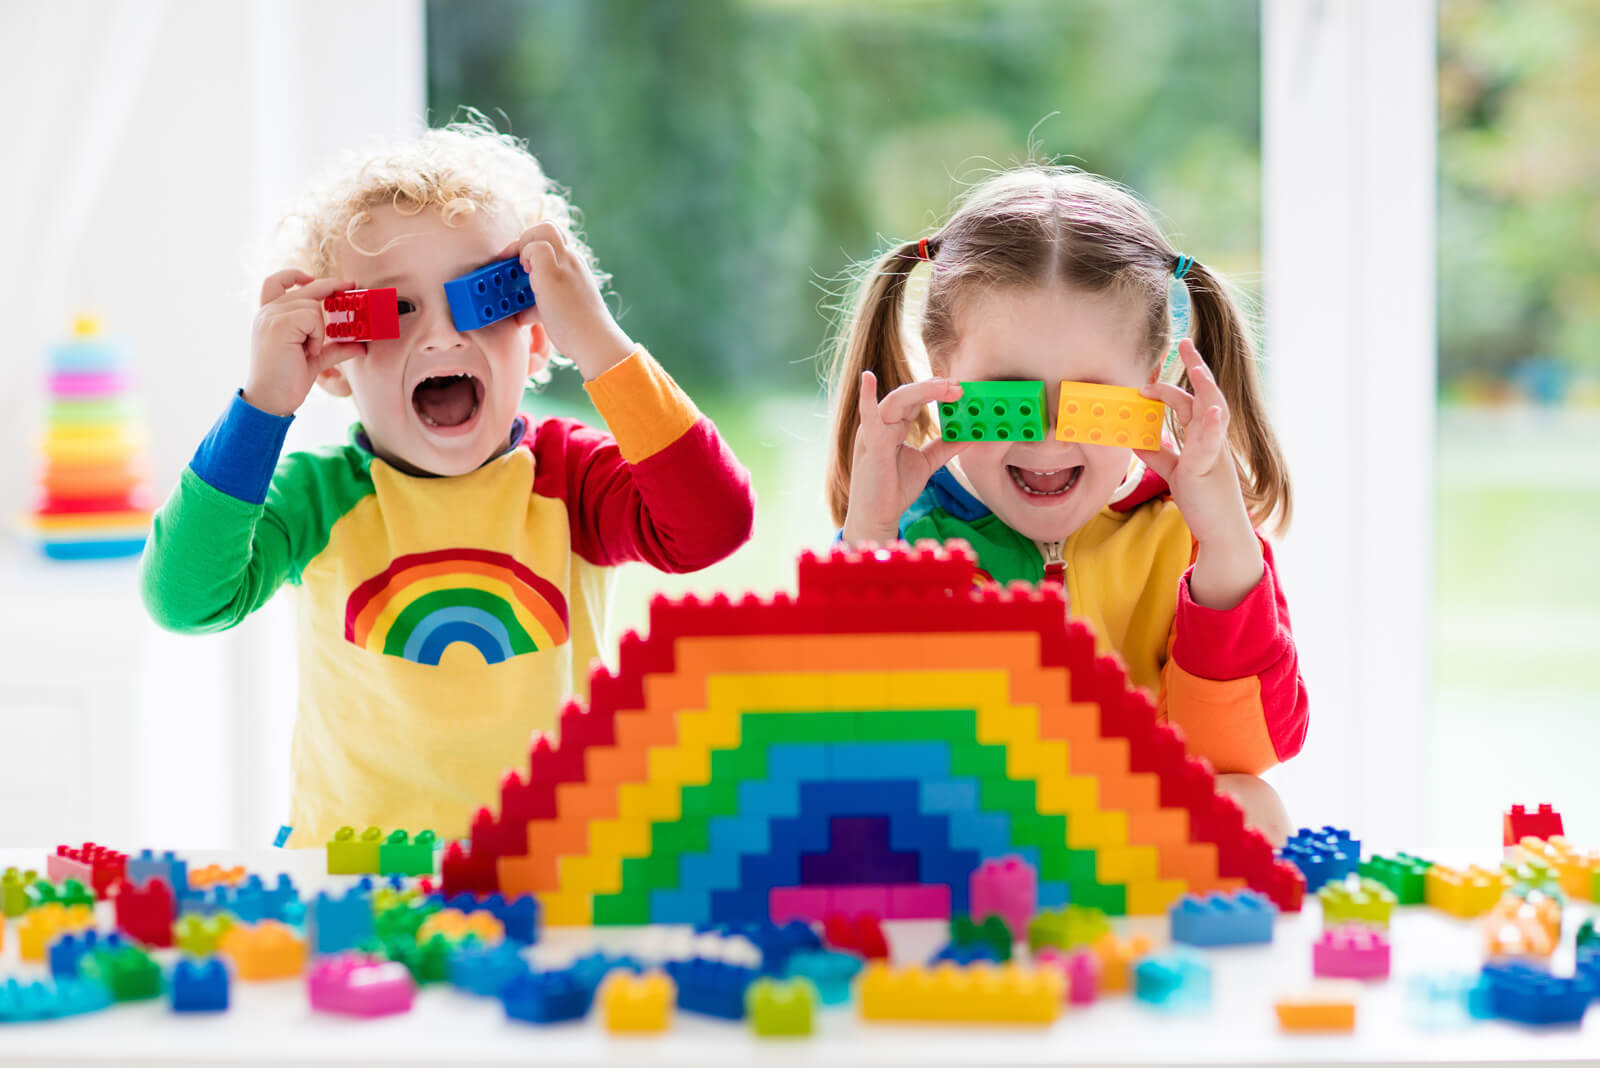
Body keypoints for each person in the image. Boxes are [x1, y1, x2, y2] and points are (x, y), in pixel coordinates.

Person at [141, 120, 755, 844]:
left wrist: (597, 339)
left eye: (479, 301)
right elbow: (184, 599)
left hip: (551, 870)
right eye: (394, 310)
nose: (440, 338)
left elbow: (712, 525)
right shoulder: (319, 497)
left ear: (534, 337)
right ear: (334, 360)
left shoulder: (569, 480)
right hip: (351, 877)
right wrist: (264, 403)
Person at [825, 165, 1303, 845]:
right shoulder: (913, 535)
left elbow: (1242, 753)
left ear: (1151, 384)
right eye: (1007, 399)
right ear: (941, 374)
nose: (1047, 436)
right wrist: (872, 538)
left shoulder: (1188, 537)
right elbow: (850, 742)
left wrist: (1225, 545)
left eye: (1089, 400)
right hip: (967, 836)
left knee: (1253, 805)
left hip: (1129, 840)